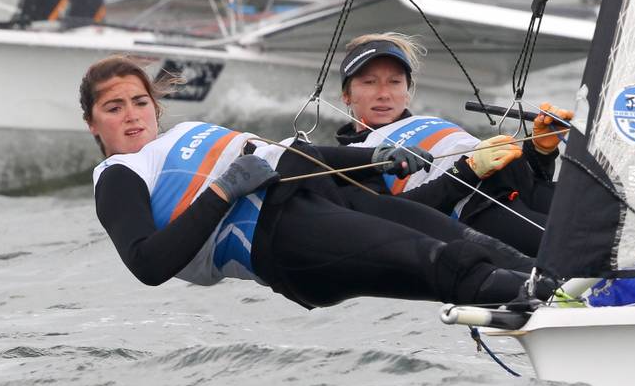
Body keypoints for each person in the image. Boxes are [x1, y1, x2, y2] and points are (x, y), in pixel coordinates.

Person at [84, 55, 553, 311]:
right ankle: (557, 307)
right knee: (438, 261)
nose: (131, 116)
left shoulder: (187, 133)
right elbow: (148, 264)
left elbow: (295, 157)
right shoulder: (119, 176)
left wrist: (378, 158)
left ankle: (571, 286)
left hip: (324, 196)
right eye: (114, 108)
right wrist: (224, 190)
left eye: (139, 102)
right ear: (92, 123)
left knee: (466, 240)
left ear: (155, 106)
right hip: (283, 239)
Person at [335, 33, 573, 257]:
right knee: (582, 246)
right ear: (346, 94)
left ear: (407, 91)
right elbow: (392, 219)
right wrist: (468, 170)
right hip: (480, 211)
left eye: (395, 82)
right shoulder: (351, 158)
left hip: (521, 187)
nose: (384, 94)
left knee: (605, 214)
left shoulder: (427, 119)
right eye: (369, 82)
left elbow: (534, 178)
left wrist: (541, 151)